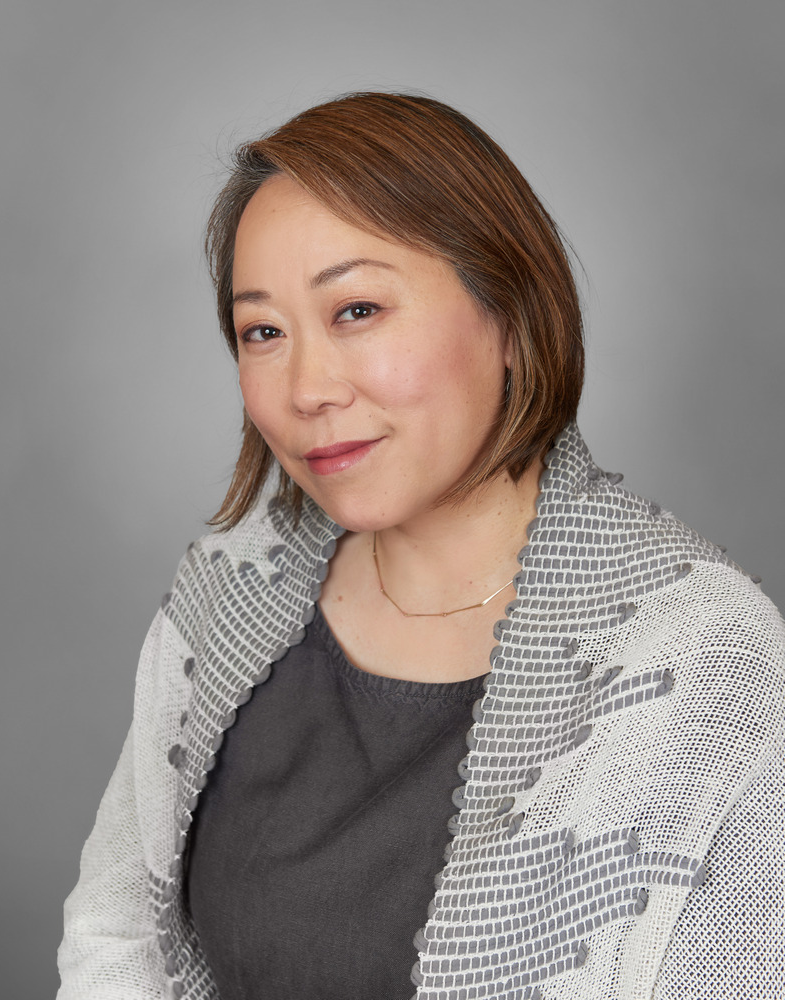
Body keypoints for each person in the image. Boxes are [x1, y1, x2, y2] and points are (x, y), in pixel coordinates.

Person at [57, 92, 784, 1000]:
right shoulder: (229, 590)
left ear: (511, 315)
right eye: (263, 332)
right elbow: (118, 924)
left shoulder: (701, 665)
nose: (308, 388)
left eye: (357, 310)